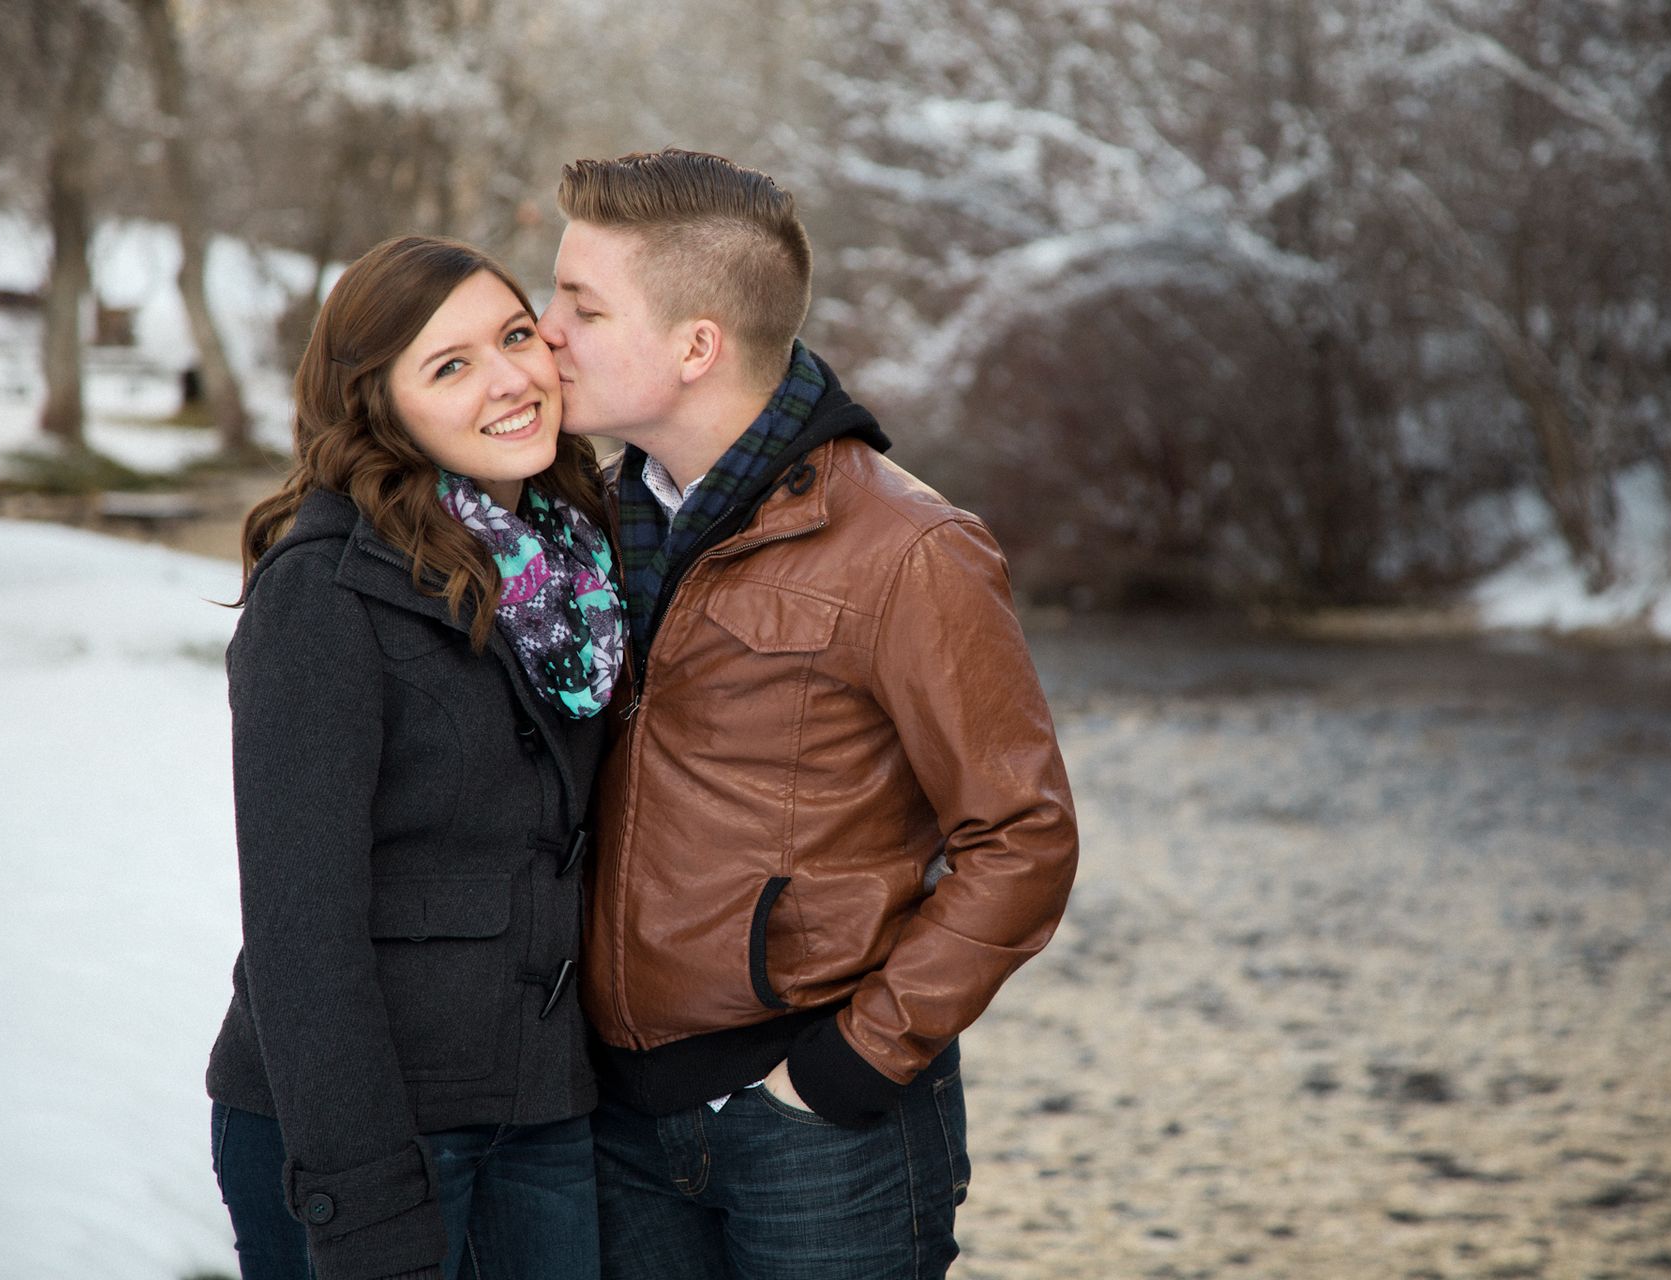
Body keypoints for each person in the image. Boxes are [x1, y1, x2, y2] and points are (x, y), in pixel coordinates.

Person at [535, 149, 1078, 1280]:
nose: (546, 331)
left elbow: (1023, 837)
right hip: (619, 1118)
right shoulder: (586, 519)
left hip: (819, 1133)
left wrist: (846, 1067)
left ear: (697, 345)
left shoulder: (910, 549)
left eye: (582, 306)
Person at [205, 235, 624, 1280]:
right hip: (373, 1129)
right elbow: (302, 930)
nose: (510, 378)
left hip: (542, 1110)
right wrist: (367, 1195)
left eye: (515, 335)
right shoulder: (324, 593)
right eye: (451, 365)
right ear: (378, 409)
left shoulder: (577, 562)